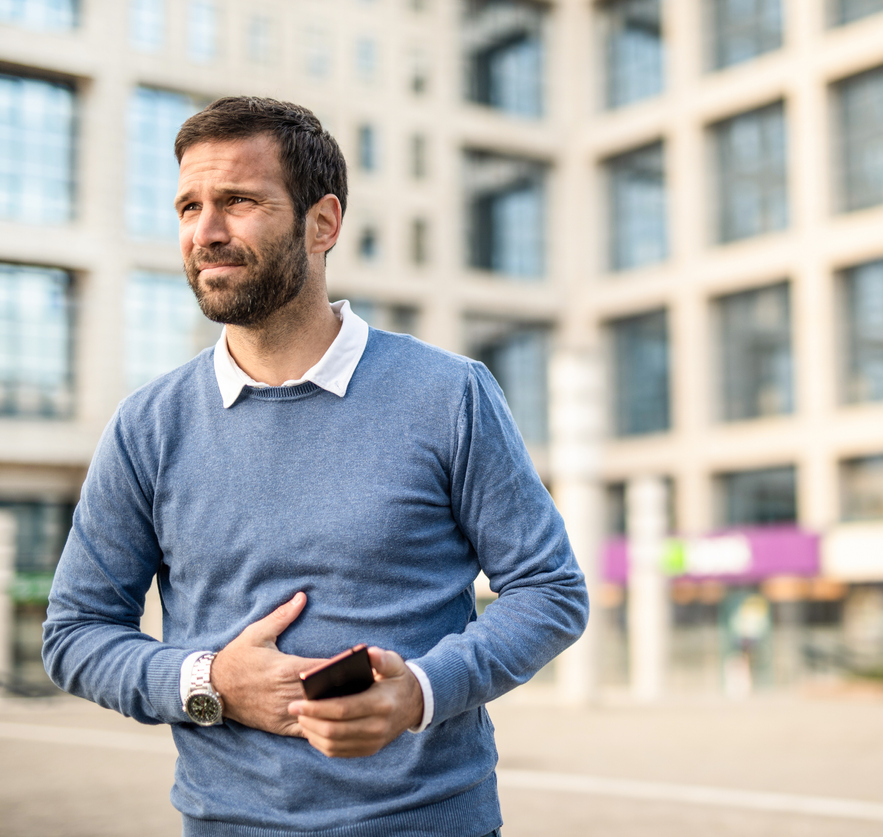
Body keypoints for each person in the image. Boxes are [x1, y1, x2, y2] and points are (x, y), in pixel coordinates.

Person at [42, 96, 588, 837]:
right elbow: (75, 632)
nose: (206, 232)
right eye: (189, 207)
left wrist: (419, 691)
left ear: (323, 223)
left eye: (239, 201)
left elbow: (550, 588)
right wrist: (209, 681)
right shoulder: (146, 426)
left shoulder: (449, 394)